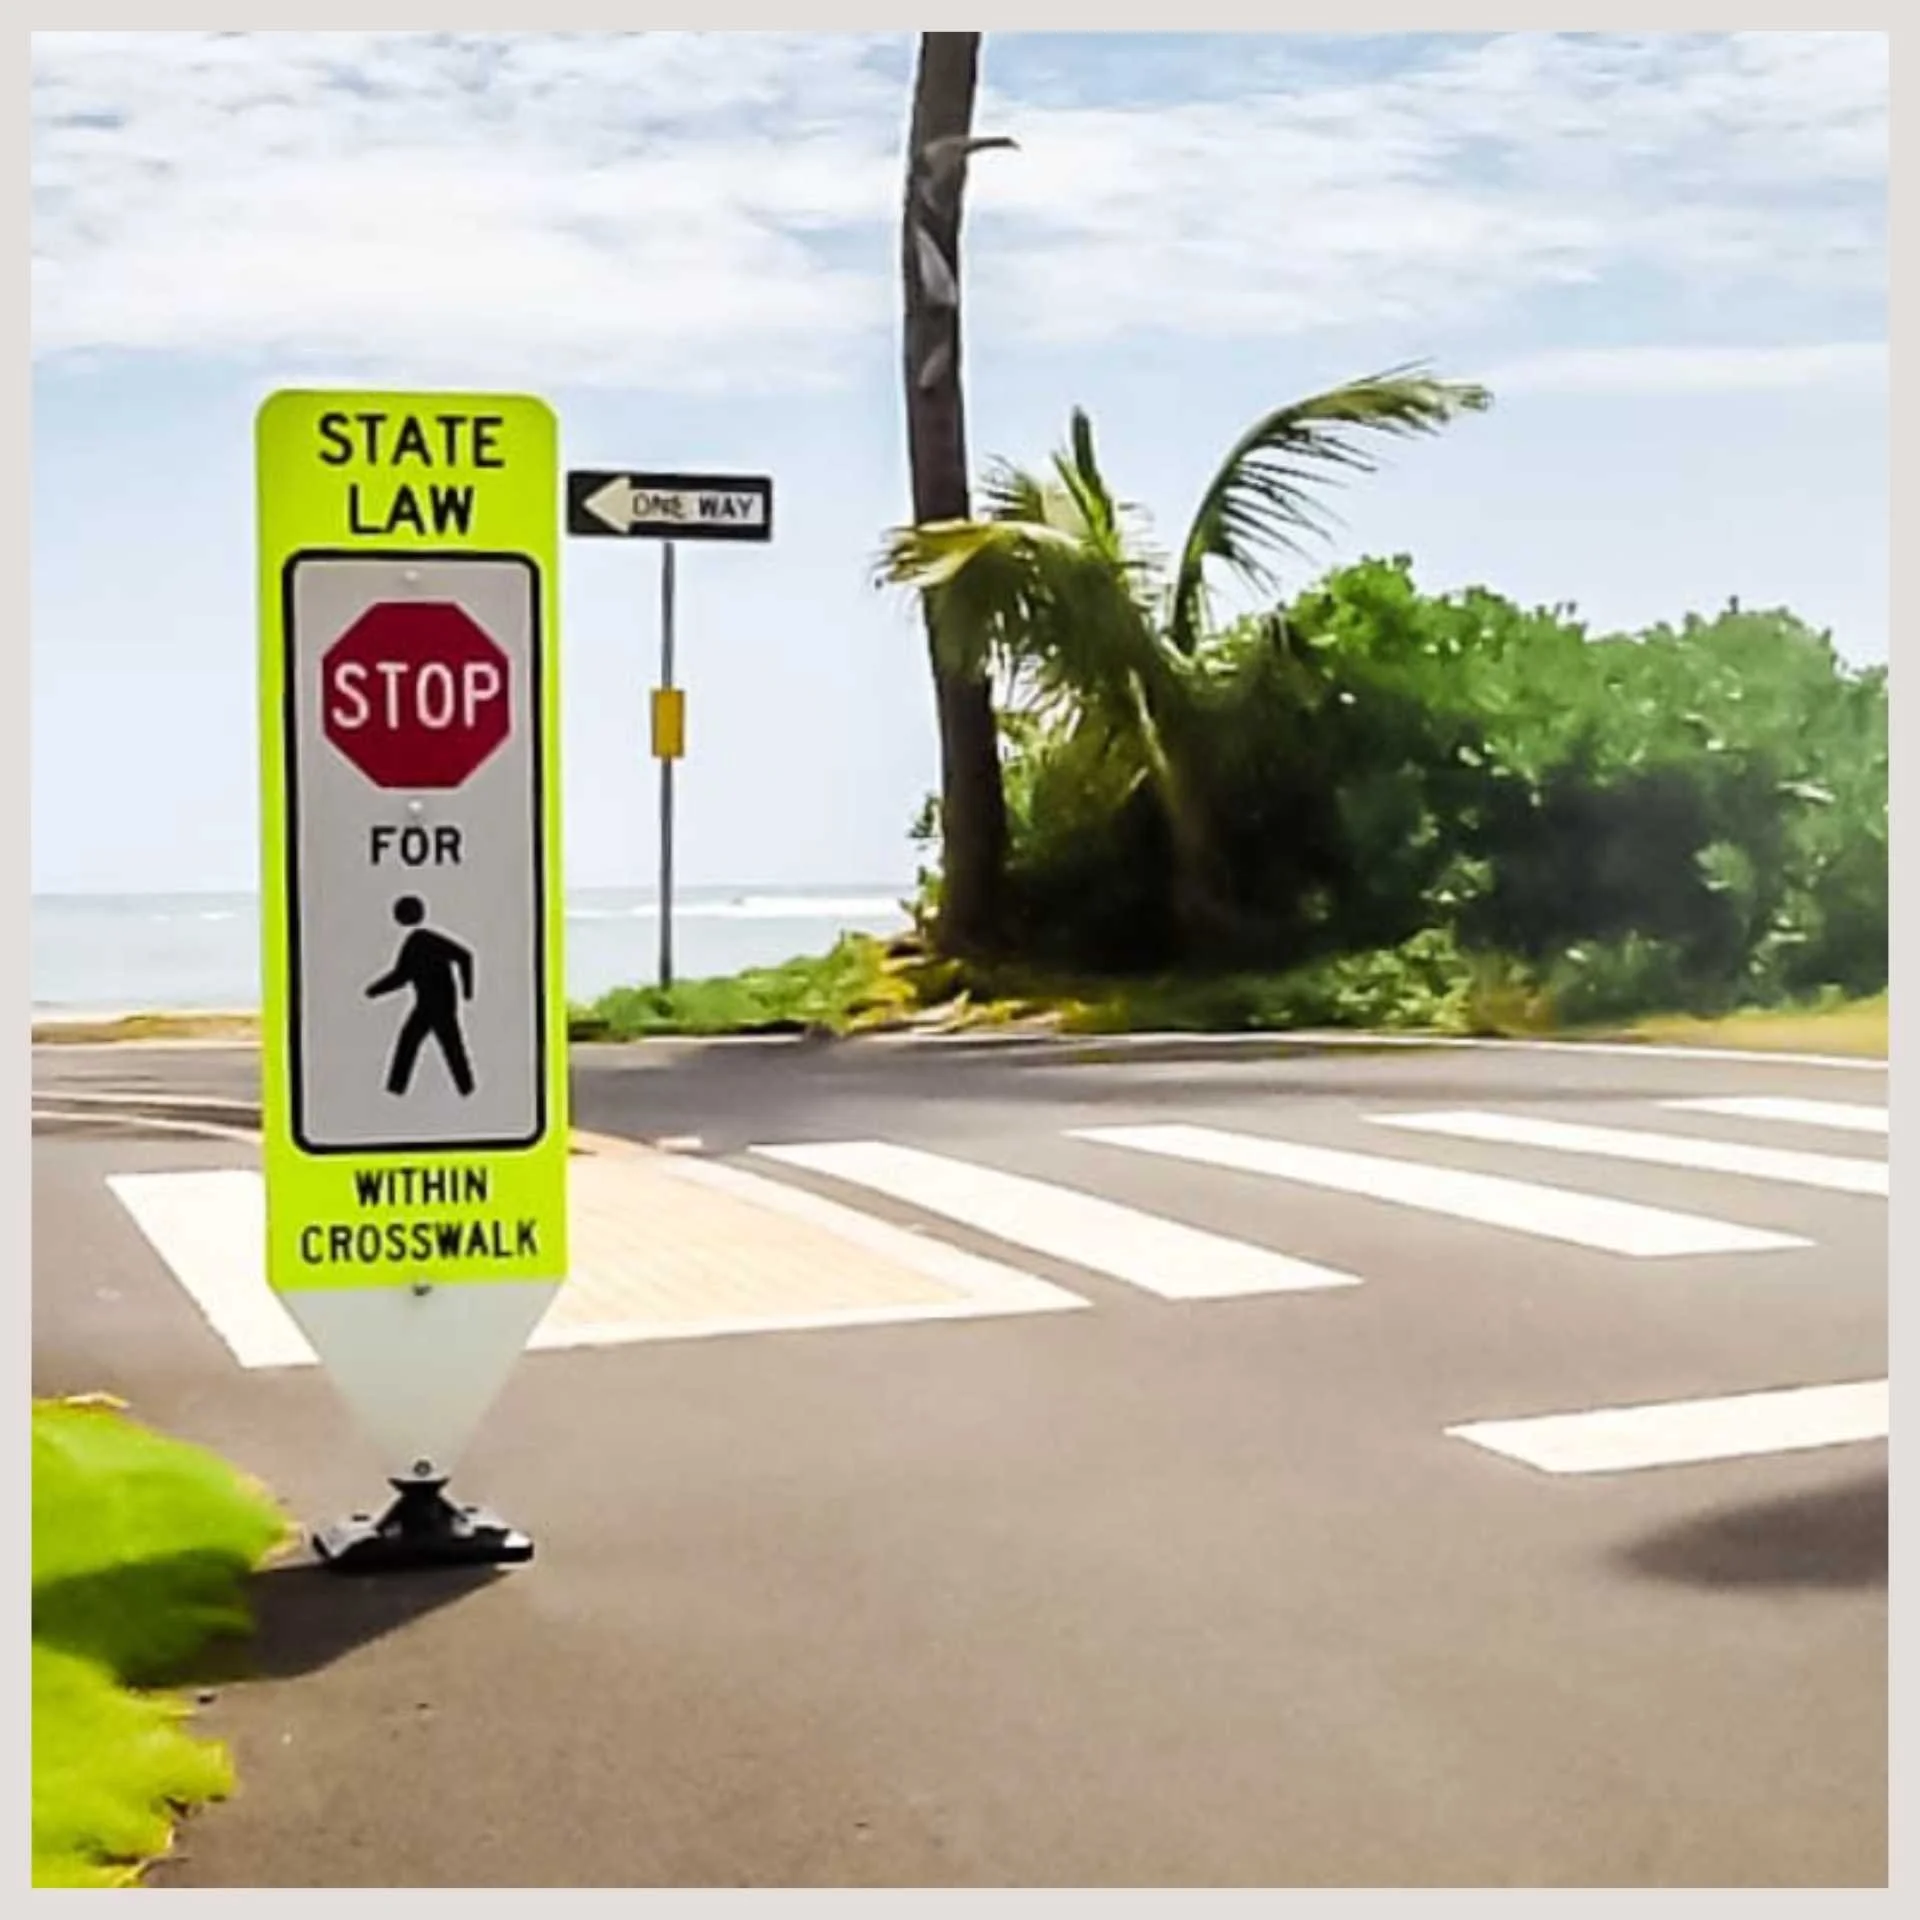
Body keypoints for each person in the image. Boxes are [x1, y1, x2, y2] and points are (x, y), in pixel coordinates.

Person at [365, 895, 476, 1097]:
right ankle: (396, 1090)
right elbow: (402, 975)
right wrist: (375, 990)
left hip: (440, 1006)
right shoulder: (414, 942)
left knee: (449, 1047)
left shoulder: (423, 940)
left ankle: (466, 1089)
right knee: (413, 1043)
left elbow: (465, 956)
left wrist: (468, 991)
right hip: (426, 1005)